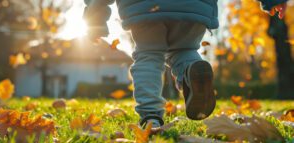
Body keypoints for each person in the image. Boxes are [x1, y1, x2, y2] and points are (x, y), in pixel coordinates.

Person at [83, 0, 288, 128]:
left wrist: (95, 20)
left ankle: (151, 116)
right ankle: (191, 71)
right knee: (184, 50)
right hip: (194, 7)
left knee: (149, 55)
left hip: (144, 8)